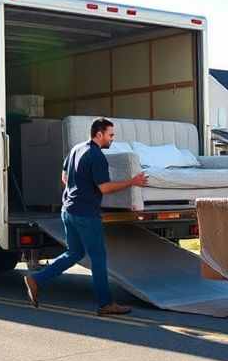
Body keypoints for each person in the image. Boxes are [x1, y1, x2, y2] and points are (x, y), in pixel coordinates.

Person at [23, 117, 147, 315]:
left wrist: (78, 186)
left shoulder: (76, 149)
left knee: (75, 253)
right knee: (98, 258)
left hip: (68, 210)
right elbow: (104, 188)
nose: (112, 139)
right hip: (86, 214)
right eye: (110, 135)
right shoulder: (96, 155)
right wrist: (132, 181)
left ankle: (36, 279)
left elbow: (64, 178)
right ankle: (105, 304)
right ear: (99, 134)